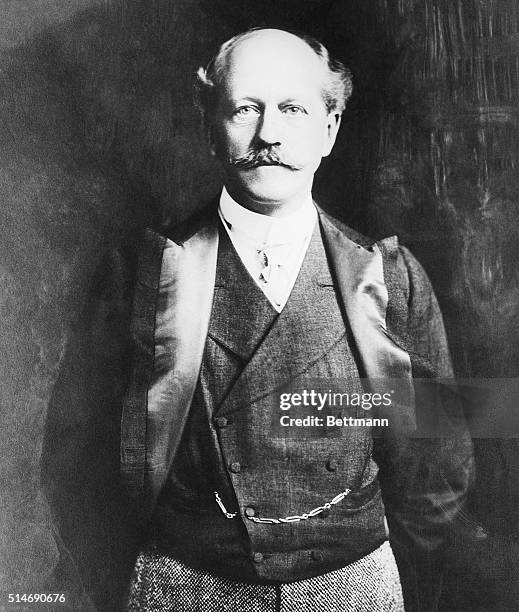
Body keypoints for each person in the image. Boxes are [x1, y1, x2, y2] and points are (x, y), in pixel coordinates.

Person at [43, 27, 473, 612]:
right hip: (185, 585)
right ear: (209, 128)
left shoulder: (389, 277)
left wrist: (377, 567)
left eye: (293, 109)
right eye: (245, 109)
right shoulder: (139, 273)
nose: (268, 134)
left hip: (351, 587)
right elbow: (75, 460)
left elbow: (441, 463)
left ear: (330, 129)